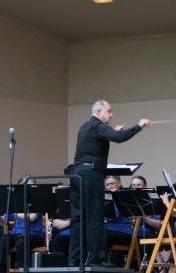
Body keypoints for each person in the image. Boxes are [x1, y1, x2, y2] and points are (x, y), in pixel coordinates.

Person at [68, 100, 151, 268]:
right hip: (92, 175)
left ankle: (74, 260)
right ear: (99, 112)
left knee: (79, 219)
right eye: (109, 111)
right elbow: (119, 138)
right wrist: (139, 125)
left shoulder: (86, 126)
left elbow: (102, 137)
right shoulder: (97, 125)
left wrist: (112, 131)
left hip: (77, 175)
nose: (112, 115)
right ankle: (96, 259)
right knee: (95, 217)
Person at [0, 175, 45, 273]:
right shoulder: (15, 201)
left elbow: (32, 217)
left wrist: (14, 210)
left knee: (22, 242)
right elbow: (4, 221)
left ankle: (22, 269)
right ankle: (3, 270)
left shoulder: (38, 201)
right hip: (17, 234)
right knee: (3, 240)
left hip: (34, 235)